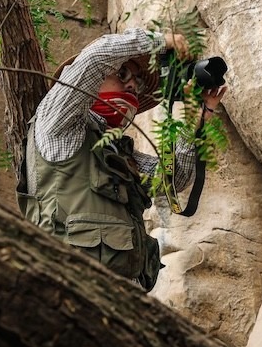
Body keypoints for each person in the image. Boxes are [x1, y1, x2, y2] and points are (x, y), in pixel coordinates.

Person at [17, 28, 226, 291]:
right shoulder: (56, 125)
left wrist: (194, 122)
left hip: (125, 296)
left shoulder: (115, 152)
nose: (131, 86)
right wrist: (160, 41)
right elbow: (95, 58)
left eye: (137, 82)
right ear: (87, 82)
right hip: (71, 290)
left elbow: (173, 182)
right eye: (123, 74)